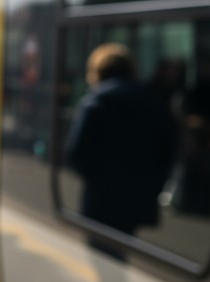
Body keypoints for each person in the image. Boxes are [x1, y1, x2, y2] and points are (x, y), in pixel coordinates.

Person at [65, 43, 176, 258]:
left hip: (100, 201)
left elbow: (76, 153)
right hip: (136, 201)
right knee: (120, 252)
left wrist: (99, 178)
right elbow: (167, 152)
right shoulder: (153, 102)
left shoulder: (94, 102)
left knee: (101, 257)